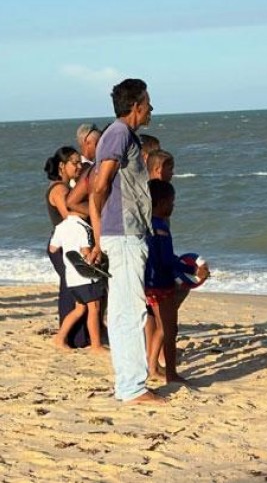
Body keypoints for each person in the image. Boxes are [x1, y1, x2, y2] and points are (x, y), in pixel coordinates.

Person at [89, 78, 164, 404]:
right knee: (132, 311)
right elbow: (99, 185)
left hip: (121, 233)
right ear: (136, 106)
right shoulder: (119, 133)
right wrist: (99, 236)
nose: (151, 108)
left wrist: (99, 238)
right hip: (123, 234)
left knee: (123, 311)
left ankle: (128, 383)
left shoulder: (121, 134)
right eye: (147, 103)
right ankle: (133, 387)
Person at [144, 179, 209, 383]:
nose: (173, 206)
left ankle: (152, 367)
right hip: (162, 285)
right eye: (172, 202)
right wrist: (192, 270)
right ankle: (171, 374)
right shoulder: (161, 228)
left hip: (149, 284)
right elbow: (167, 260)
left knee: (161, 328)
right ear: (162, 202)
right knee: (170, 330)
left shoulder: (145, 225)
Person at [44, 146, 87, 347]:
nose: (79, 166)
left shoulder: (66, 187)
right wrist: (93, 211)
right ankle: (67, 337)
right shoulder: (59, 189)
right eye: (75, 163)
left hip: (68, 243)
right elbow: (68, 216)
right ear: (62, 166)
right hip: (62, 245)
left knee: (71, 287)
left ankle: (76, 337)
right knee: (71, 289)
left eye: (80, 163)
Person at [48, 211, 107, 354]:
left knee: (79, 309)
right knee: (94, 308)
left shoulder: (61, 226)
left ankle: (60, 338)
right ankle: (96, 345)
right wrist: (96, 257)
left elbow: (53, 248)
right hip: (85, 276)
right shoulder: (84, 227)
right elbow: (85, 251)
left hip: (71, 276)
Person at [67, 124, 102, 218]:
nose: (101, 146)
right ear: (87, 142)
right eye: (97, 143)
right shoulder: (84, 168)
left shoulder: (83, 166)